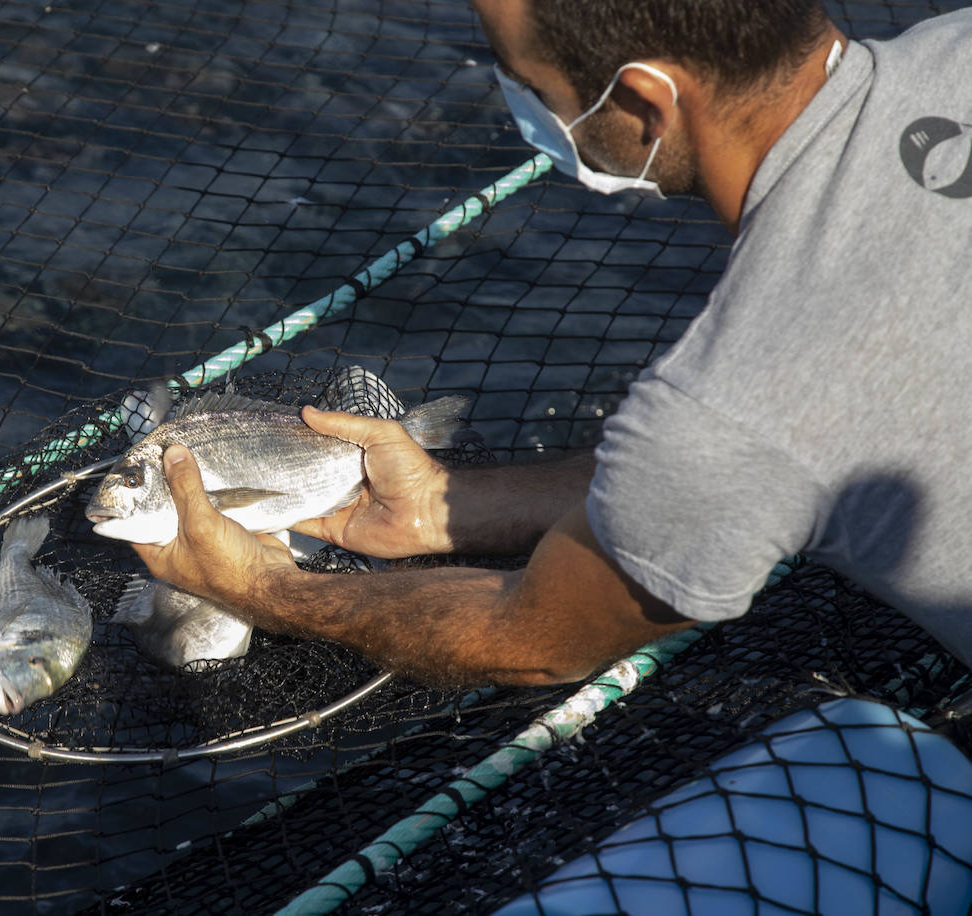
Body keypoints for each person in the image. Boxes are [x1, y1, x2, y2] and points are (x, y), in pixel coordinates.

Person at [130, 0, 972, 686]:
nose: (519, 105)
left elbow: (535, 640)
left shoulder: (731, 403)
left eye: (527, 84)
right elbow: (745, 472)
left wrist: (259, 585)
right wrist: (443, 507)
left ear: (644, 104)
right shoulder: (956, 43)